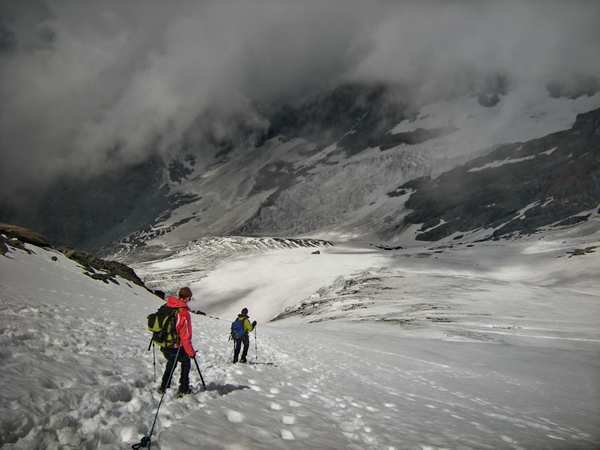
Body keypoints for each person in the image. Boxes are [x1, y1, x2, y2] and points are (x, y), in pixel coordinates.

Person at [158, 287, 197, 395]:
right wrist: (191, 353)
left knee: (171, 363)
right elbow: (185, 337)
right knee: (186, 362)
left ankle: (163, 386)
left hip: (164, 343)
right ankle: (184, 388)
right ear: (187, 298)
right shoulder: (183, 313)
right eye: (189, 298)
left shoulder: (168, 305)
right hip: (175, 346)